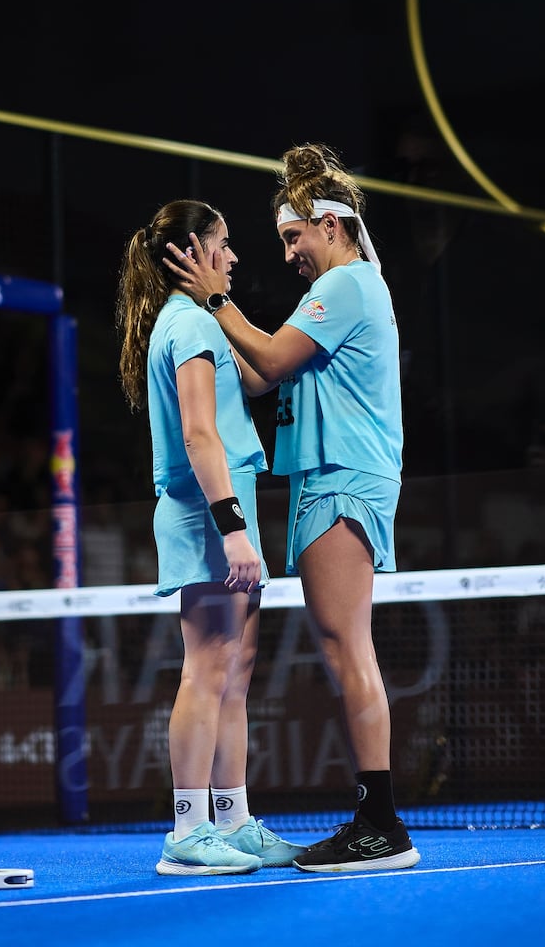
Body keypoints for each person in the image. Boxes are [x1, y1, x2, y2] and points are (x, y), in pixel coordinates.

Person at [163, 143, 421, 873]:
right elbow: (257, 377)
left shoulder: (348, 286)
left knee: (348, 651)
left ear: (331, 226)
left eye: (293, 237)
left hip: (343, 478)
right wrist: (208, 319)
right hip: (323, 479)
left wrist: (216, 299)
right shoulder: (344, 291)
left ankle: (381, 824)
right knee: (342, 651)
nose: (286, 254)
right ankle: (374, 817)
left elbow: (271, 360)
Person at [115, 199, 306, 876]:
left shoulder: (201, 319)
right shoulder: (187, 325)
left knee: (234, 672)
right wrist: (232, 530)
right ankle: (187, 833)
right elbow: (199, 435)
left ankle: (233, 820)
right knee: (206, 669)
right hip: (208, 516)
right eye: (222, 244)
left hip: (228, 510)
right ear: (192, 251)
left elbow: (262, 375)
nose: (233, 254)